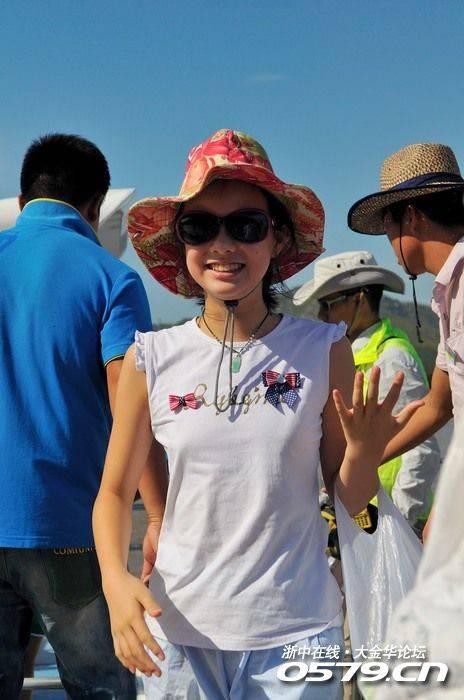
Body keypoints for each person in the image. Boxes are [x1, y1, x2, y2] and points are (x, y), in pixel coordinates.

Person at [93, 128, 421, 700]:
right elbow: (115, 493)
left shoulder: (324, 349)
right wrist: (114, 585)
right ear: (181, 242)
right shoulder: (151, 357)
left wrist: (366, 455)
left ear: (277, 239)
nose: (223, 245)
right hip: (176, 634)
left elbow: (347, 498)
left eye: (246, 226)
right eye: (201, 227)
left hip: (297, 633)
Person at [0, 133, 152, 697]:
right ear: (95, 205)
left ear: (23, 201)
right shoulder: (112, 278)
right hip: (69, 525)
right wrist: (160, 514)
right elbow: (128, 405)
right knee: (101, 687)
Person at [293, 250, 441, 535]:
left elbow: (421, 449)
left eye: (327, 304)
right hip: (361, 514)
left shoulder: (391, 357)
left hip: (391, 515)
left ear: (359, 300)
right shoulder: (346, 357)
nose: (321, 314)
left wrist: (402, 519)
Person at [348, 143, 464, 458]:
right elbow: (438, 405)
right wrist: (361, 463)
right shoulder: (449, 292)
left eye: (387, 224)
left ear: (411, 216)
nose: (389, 241)